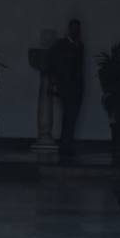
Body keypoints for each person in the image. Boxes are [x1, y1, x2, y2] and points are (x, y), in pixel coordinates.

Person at [49, 18, 85, 164]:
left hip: (77, 87)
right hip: (66, 86)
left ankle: (66, 144)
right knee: (69, 116)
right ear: (69, 29)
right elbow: (56, 63)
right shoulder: (61, 45)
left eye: (78, 29)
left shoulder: (80, 46)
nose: (76, 32)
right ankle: (66, 145)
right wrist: (56, 83)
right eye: (74, 29)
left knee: (71, 116)